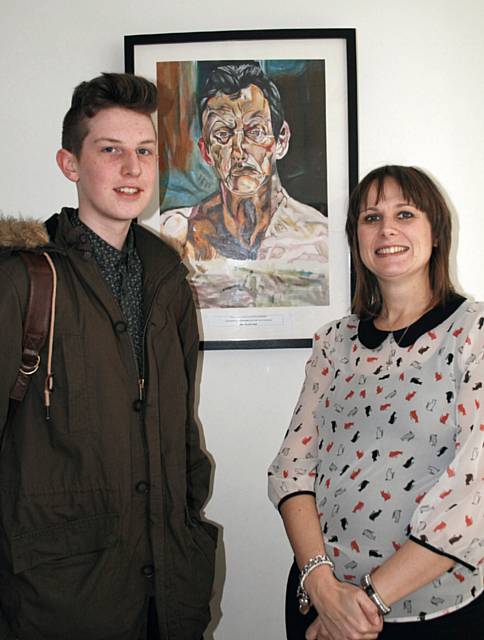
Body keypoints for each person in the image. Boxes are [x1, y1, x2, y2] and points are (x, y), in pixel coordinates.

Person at [0, 73, 217, 640]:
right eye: (110, 150)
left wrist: (186, 516)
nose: (132, 168)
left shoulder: (169, 279)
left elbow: (180, 428)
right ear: (70, 164)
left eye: (145, 151)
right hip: (60, 603)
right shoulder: (24, 280)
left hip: (166, 591)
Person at [268, 165, 483, 640]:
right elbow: (292, 468)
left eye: (405, 214)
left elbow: (473, 495)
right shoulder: (333, 342)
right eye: (371, 218)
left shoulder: (475, 333)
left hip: (429, 615)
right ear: (356, 239)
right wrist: (323, 587)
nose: (387, 229)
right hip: (317, 599)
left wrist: (362, 604)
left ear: (436, 232)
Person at [160, 62, 328, 308]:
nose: (239, 151)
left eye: (255, 131)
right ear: (206, 152)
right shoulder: (176, 234)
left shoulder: (320, 238)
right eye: (223, 135)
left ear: (281, 140)